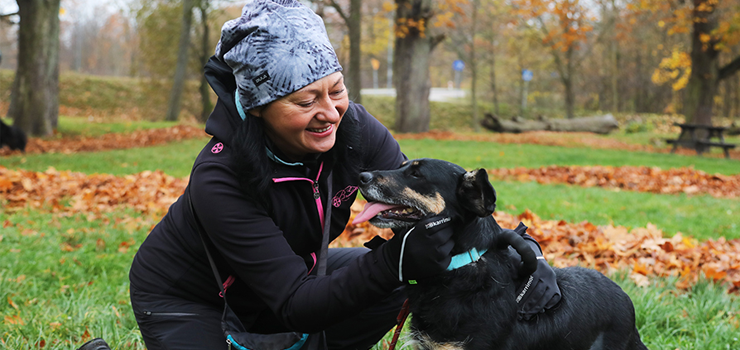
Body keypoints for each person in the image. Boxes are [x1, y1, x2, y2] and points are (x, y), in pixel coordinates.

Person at [124, 0, 560, 349]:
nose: (329, 113)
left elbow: (427, 204)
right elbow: (295, 302)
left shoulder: (355, 130)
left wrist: (519, 247)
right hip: (191, 299)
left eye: (336, 90)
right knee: (389, 275)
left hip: (299, 275)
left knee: (398, 283)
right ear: (258, 108)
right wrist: (395, 262)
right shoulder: (219, 176)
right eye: (305, 101)